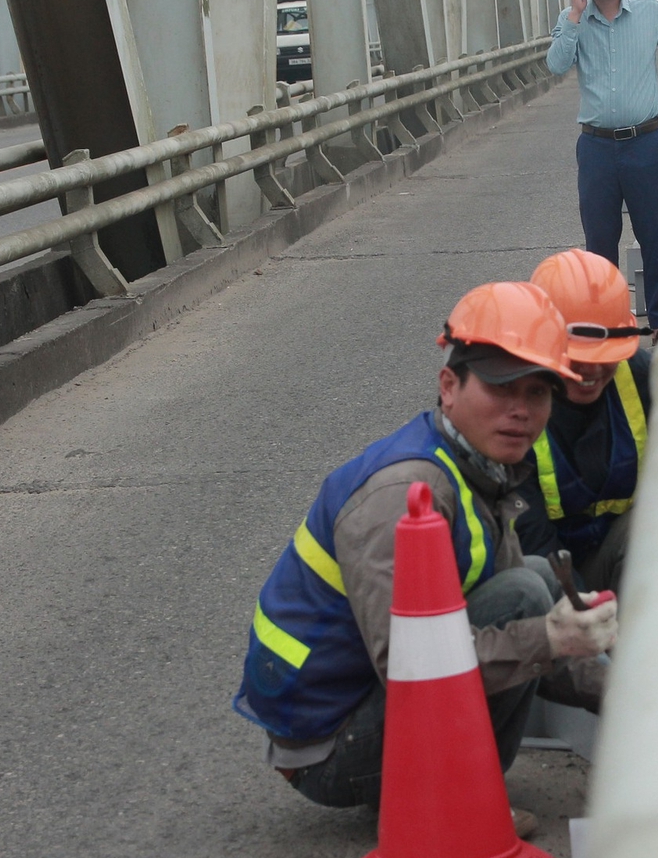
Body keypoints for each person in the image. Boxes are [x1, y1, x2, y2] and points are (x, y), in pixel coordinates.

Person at [232, 282, 618, 812]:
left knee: (536, 579)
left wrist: (623, 692)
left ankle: (453, 782)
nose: (521, 411)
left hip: (364, 702)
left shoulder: (478, 466)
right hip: (328, 750)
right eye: (502, 389)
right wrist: (549, 640)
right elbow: (408, 665)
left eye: (538, 392)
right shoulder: (406, 493)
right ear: (449, 386)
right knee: (529, 598)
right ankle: (456, 804)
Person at [545, 0, 658, 331]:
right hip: (596, 148)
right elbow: (557, 65)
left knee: (656, 239)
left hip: (646, 142)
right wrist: (575, 16)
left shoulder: (649, 12)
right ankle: (609, 325)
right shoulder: (571, 19)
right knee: (599, 245)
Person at [515, 249, 651, 595]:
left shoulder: (641, 379)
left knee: (652, 532)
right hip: (544, 573)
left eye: (602, 357)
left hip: (613, 558)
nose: (589, 370)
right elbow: (530, 538)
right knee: (533, 581)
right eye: (575, 357)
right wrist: (582, 619)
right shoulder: (511, 409)